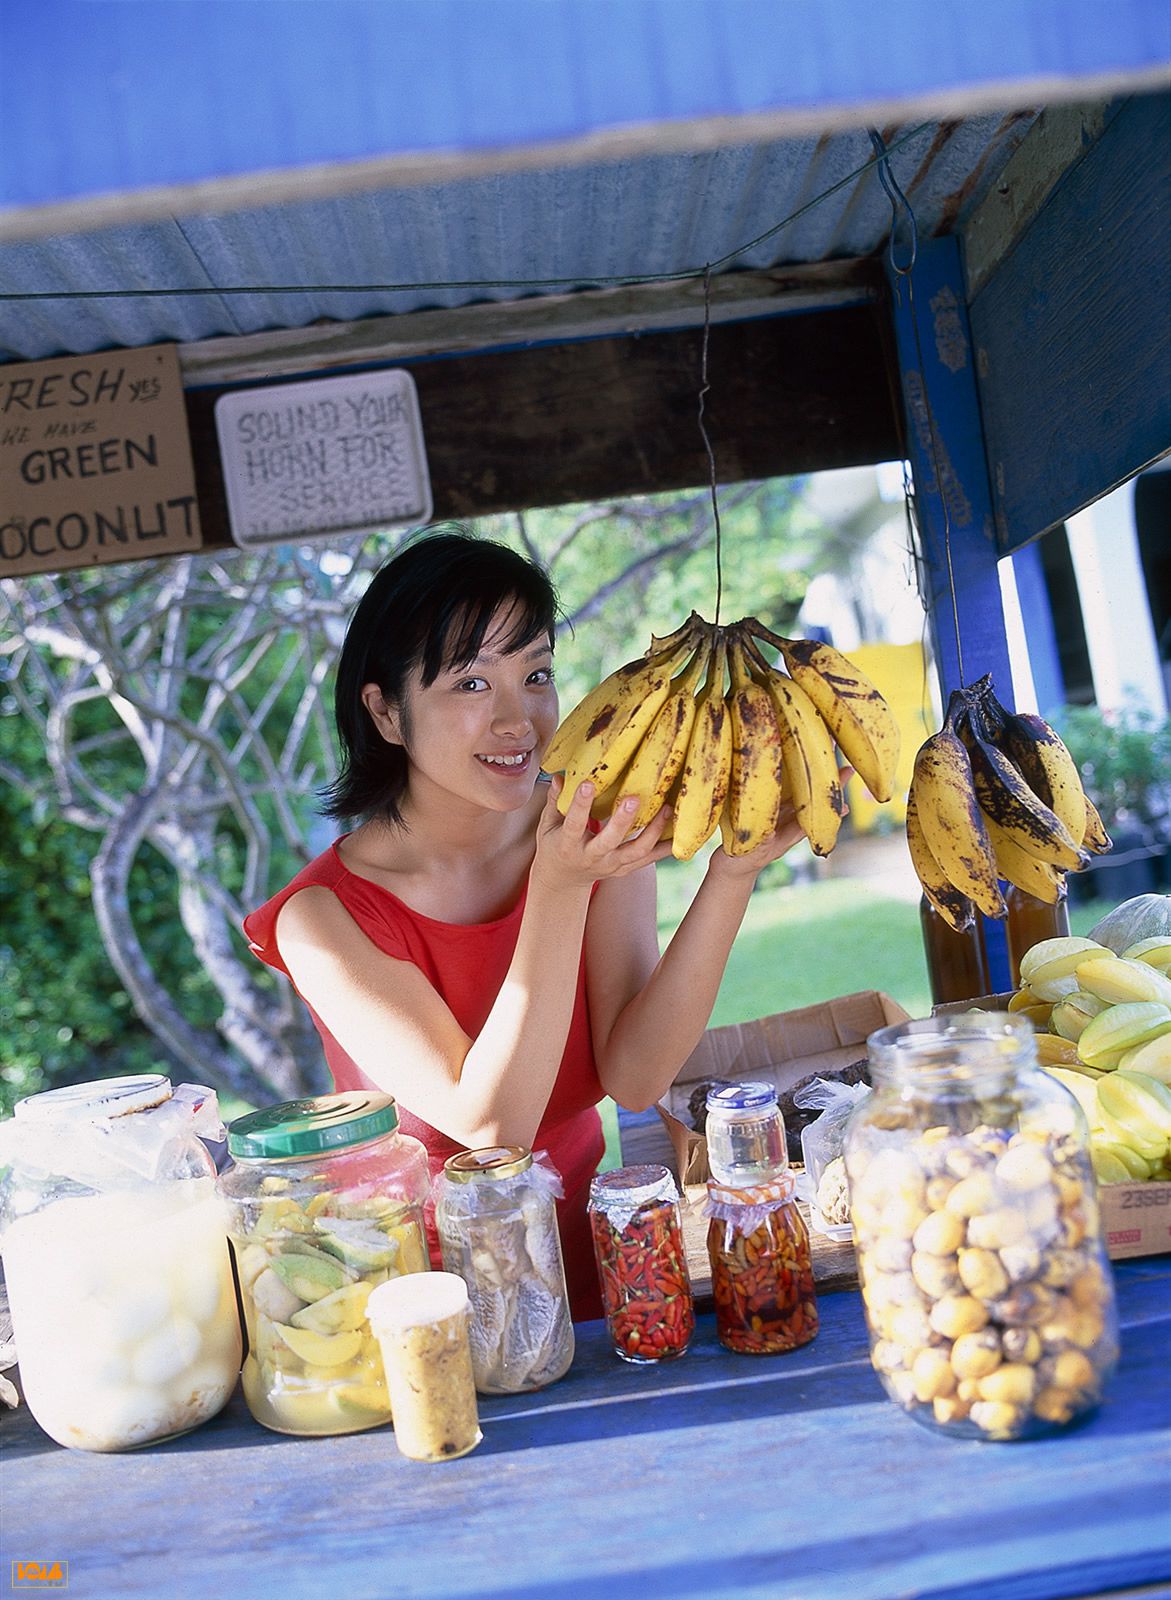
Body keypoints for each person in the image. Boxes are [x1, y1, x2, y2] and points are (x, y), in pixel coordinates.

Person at [244, 526, 811, 1320]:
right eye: (470, 684)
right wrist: (557, 887)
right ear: (387, 713)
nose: (519, 719)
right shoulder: (324, 919)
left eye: (535, 673)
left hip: (608, 1272)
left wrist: (733, 873)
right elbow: (491, 1128)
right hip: (433, 1309)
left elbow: (636, 1075)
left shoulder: (588, 829)